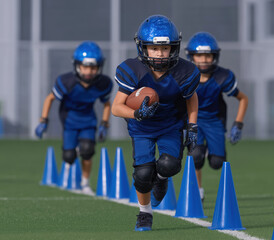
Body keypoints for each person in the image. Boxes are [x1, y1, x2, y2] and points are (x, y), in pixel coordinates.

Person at [112, 15, 200, 231]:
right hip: (142, 128)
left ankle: (160, 178)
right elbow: (117, 107)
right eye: (153, 48)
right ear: (143, 48)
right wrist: (137, 115)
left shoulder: (184, 72)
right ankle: (145, 213)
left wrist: (192, 125)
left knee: (169, 165)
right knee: (142, 175)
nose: (160, 54)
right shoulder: (132, 70)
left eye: (165, 48)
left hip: (170, 125)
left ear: (174, 48)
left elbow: (192, 97)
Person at [35, 41, 113, 195]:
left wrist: (104, 123)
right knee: (69, 155)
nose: (89, 71)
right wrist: (43, 120)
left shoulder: (103, 84)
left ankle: (85, 183)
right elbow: (50, 99)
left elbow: (107, 104)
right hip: (69, 120)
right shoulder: (67, 82)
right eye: (85, 67)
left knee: (87, 151)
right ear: (77, 66)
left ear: (99, 66)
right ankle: (66, 177)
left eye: (93, 67)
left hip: (88, 120)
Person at [185, 32, 248, 202]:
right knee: (195, 156)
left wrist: (238, 124)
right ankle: (198, 190)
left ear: (215, 56)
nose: (203, 59)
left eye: (207, 55)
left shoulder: (222, 76)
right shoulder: (185, 76)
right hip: (194, 119)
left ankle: (207, 152)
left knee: (217, 163)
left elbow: (243, 98)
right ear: (191, 57)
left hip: (214, 121)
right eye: (199, 55)